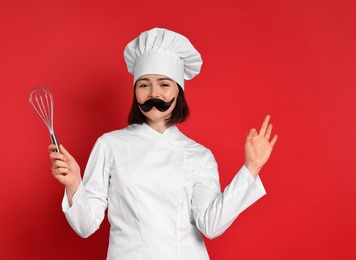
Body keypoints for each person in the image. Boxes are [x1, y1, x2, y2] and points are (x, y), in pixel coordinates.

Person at [48, 28, 278, 260]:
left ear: (179, 91)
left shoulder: (199, 156)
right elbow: (86, 226)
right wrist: (74, 183)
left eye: (164, 84)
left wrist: (251, 168)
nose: (153, 94)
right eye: (144, 85)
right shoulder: (110, 145)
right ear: (135, 91)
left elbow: (211, 225)